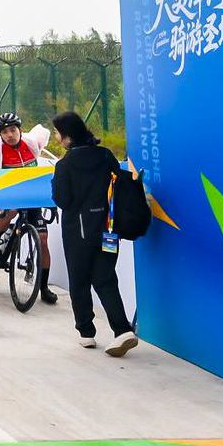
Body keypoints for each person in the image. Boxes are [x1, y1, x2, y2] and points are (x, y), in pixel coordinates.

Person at [49, 111, 137, 355]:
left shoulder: (65, 165)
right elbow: (119, 185)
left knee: (79, 281)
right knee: (106, 278)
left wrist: (55, 183)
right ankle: (122, 330)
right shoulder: (105, 155)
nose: (56, 137)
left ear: (67, 136)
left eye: (57, 133)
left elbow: (63, 200)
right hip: (109, 230)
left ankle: (86, 333)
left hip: (78, 233)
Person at [0, 113, 57, 305]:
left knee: (43, 240)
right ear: (0, 135)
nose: (10, 135)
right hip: (10, 192)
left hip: (31, 195)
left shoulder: (31, 143)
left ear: (20, 130)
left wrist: (50, 200)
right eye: (5, 132)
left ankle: (44, 287)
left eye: (13, 130)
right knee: (11, 211)